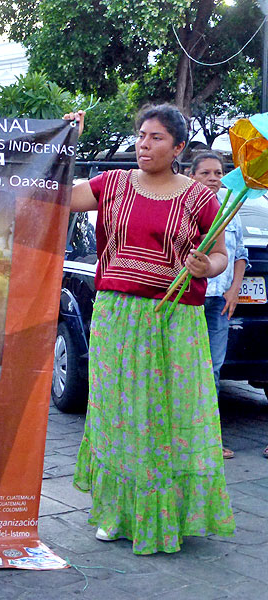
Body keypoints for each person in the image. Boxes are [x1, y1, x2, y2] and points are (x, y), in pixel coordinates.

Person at [65, 104, 235, 554]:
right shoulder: (114, 184)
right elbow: (57, 192)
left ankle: (170, 515)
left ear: (178, 147)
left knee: (170, 415)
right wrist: (63, 140)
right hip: (117, 315)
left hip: (176, 319)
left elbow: (218, 255)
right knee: (119, 412)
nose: (144, 144)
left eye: (156, 137)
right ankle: (118, 513)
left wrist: (206, 265)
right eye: (141, 135)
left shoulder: (200, 198)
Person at [189, 151, 249, 460]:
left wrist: (235, 290)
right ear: (192, 175)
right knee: (184, 369)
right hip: (188, 299)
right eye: (205, 173)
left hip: (218, 302)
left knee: (212, 369)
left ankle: (210, 440)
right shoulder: (183, 205)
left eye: (217, 173)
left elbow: (240, 254)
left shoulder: (230, 209)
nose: (213, 178)